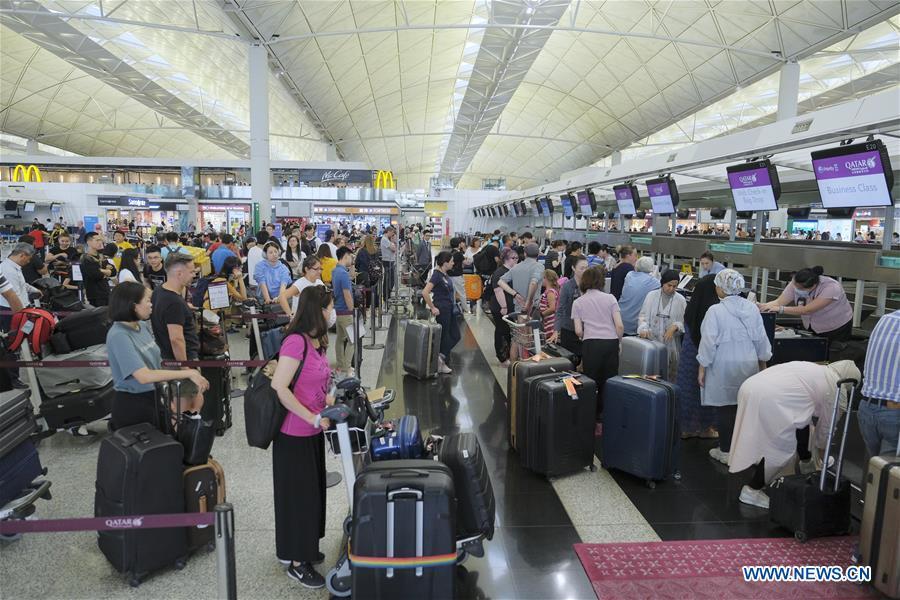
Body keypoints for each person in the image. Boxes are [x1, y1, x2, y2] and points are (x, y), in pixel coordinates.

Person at [270, 285, 335, 588]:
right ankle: (297, 563)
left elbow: (319, 379)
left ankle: (300, 549)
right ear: (317, 311)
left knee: (311, 495)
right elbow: (280, 387)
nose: (331, 313)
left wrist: (330, 400)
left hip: (313, 430)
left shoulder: (316, 341)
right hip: (294, 433)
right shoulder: (295, 342)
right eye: (329, 308)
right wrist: (310, 415)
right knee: (298, 499)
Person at [728, 360, 860, 509]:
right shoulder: (837, 388)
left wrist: (811, 459)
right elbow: (826, 430)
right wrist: (821, 459)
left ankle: (806, 462)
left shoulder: (817, 370)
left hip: (750, 387)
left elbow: (802, 418)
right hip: (770, 397)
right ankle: (751, 491)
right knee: (779, 449)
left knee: (801, 420)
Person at [106, 281, 208, 431]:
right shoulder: (119, 335)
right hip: (134, 406)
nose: (151, 304)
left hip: (155, 397)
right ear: (133, 305)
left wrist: (167, 398)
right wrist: (189, 372)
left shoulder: (142, 326)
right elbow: (143, 376)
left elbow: (157, 363)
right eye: (147, 300)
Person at [697, 269, 772, 465]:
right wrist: (763, 361)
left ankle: (726, 451)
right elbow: (761, 339)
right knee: (746, 407)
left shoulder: (715, 311)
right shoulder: (751, 308)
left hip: (723, 365)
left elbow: (708, 342)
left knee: (725, 408)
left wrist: (702, 366)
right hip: (748, 363)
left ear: (721, 288)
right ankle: (748, 451)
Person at [571, 265, 624, 424]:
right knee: (609, 381)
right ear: (601, 282)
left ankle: (591, 417)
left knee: (591, 381)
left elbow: (578, 331)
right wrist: (618, 341)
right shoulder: (610, 298)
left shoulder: (578, 302)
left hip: (591, 344)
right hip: (610, 343)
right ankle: (607, 416)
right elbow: (620, 326)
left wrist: (586, 335)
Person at [758, 266, 853, 343]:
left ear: (813, 286)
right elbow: (779, 302)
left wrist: (781, 309)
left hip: (836, 327)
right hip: (812, 325)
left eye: (800, 288)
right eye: (794, 285)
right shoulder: (797, 282)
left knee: (834, 356)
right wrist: (762, 306)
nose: (795, 289)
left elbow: (807, 310)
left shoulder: (831, 287)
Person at [677, 274, 719, 439]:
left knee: (688, 391)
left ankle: (685, 428)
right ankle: (705, 428)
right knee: (705, 391)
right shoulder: (714, 310)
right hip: (706, 357)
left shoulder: (693, 307)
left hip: (689, 353)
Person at [857, 310, 900, 460]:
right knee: (889, 477)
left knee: (877, 473)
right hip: (894, 412)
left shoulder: (886, 319)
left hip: (866, 408)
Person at [150, 253, 200, 363]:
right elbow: (176, 339)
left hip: (165, 355)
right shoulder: (174, 302)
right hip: (181, 360)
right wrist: (185, 367)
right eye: (191, 272)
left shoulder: (159, 291)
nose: (194, 275)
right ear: (179, 274)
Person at [637, 269, 687, 379]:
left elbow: (684, 323)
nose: (672, 289)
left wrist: (676, 326)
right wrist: (643, 328)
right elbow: (643, 316)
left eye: (675, 286)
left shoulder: (680, 300)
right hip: (651, 341)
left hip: (671, 345)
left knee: (669, 376)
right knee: (650, 373)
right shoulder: (651, 296)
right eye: (669, 285)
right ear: (662, 283)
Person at [422, 251, 459, 374]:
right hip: (442, 310)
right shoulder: (437, 275)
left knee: (455, 335)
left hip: (450, 309)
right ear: (445, 263)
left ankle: (440, 358)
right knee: (446, 337)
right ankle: (440, 362)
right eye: (451, 261)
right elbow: (425, 292)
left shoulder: (445, 274)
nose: (453, 263)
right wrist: (432, 307)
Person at [550, 255, 587, 359]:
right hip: (569, 330)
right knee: (570, 362)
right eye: (582, 268)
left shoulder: (591, 285)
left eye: (586, 268)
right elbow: (560, 309)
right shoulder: (567, 286)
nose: (585, 271)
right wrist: (556, 330)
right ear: (573, 268)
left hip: (587, 331)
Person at [497, 243, 545, 318]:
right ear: (538, 254)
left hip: (519, 305)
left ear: (525, 254)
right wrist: (528, 302)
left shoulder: (517, 267)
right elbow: (533, 283)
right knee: (531, 327)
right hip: (533, 306)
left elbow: (500, 282)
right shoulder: (539, 266)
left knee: (520, 327)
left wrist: (515, 294)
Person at [489, 248, 518, 366]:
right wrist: (504, 307)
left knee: (507, 331)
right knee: (501, 331)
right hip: (500, 307)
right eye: (513, 258)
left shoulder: (512, 271)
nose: (516, 260)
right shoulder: (500, 272)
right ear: (506, 259)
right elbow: (498, 290)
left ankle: (507, 355)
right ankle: (501, 357)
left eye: (517, 258)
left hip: (510, 306)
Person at [618, 256, 660, 336]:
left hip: (620, 317)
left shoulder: (629, 275)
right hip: (635, 323)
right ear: (651, 268)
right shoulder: (654, 282)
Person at [332, 247, 355, 379]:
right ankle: (346, 367)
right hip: (346, 311)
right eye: (351, 257)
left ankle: (340, 365)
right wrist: (351, 310)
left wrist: (352, 265)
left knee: (340, 339)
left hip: (338, 310)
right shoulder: (343, 274)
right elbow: (347, 294)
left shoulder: (336, 271)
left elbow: (351, 276)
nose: (351, 259)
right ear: (345, 256)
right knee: (353, 339)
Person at [81, 232, 114, 307]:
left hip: (106, 292)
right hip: (95, 295)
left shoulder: (101, 256)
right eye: (97, 240)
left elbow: (114, 271)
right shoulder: (86, 258)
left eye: (100, 240)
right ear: (89, 242)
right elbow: (96, 275)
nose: (100, 242)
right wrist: (106, 272)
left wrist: (102, 270)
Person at [447, 237, 467, 313]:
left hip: (450, 275)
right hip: (457, 276)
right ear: (458, 244)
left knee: (452, 292)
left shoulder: (450, 252)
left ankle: (453, 307)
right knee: (462, 293)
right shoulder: (458, 253)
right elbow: (466, 263)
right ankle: (466, 309)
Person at [539, 269, 560, 341]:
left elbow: (552, 308)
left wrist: (541, 315)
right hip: (546, 321)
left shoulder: (550, 292)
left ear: (546, 278)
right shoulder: (548, 291)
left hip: (550, 322)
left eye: (542, 278)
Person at [380, 227, 397, 300]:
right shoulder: (384, 239)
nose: (393, 234)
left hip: (390, 261)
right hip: (387, 261)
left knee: (391, 279)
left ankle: (388, 294)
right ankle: (386, 296)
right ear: (388, 231)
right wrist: (393, 242)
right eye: (392, 232)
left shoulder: (387, 240)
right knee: (388, 280)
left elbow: (394, 248)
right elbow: (393, 249)